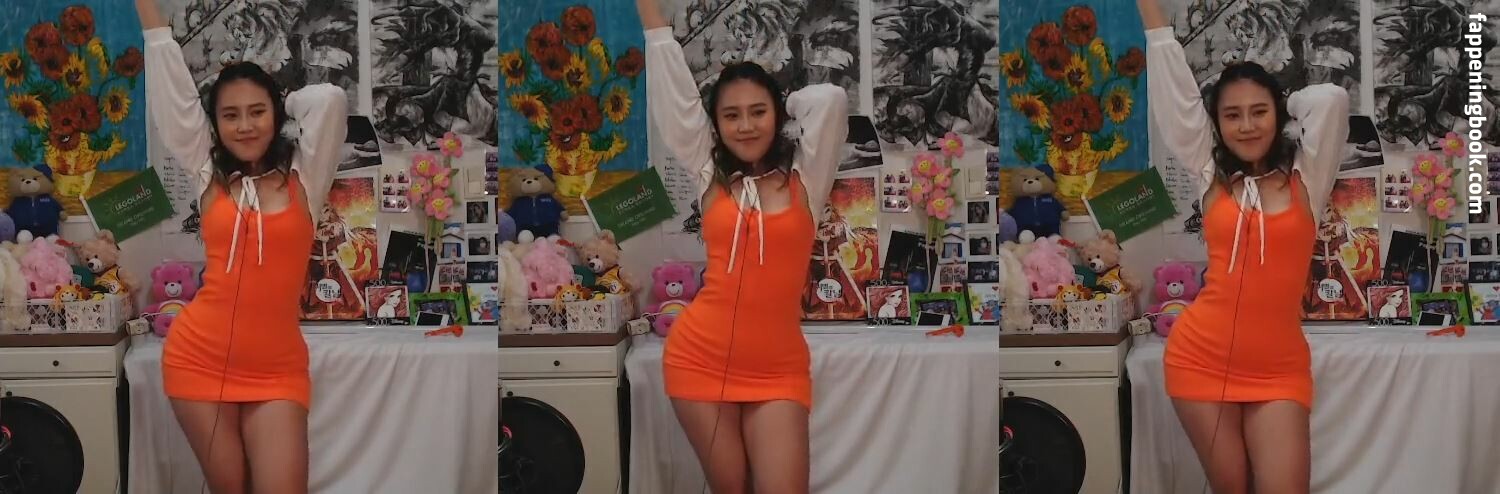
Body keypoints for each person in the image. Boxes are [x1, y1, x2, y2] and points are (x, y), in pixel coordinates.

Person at [1137, 0, 1349, 493]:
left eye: (1259, 111)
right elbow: (1175, 94)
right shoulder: (1209, 174)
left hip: (1279, 369)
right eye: (1232, 115)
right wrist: (1150, 14)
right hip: (1200, 359)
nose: (1247, 125)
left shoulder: (1307, 178)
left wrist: (1286, 100)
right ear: (1217, 124)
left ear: (1278, 115)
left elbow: (1331, 100)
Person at [636, 0, 848, 492]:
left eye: (758, 112)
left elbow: (831, 101)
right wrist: (651, 19)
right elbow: (675, 101)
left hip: (778, 369)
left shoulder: (805, 180)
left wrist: (787, 102)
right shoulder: (709, 175)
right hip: (699, 358)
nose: (746, 125)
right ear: (716, 125)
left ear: (777, 115)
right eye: (731, 115)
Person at [137, 1, 348, 493]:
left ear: (276, 114)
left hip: (277, 370)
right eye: (230, 115)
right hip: (198, 358)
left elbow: (331, 99)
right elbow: (173, 95)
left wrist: (283, 98)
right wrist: (149, 15)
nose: (245, 125)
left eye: (258, 111)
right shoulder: (206, 174)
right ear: (215, 125)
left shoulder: (305, 178)